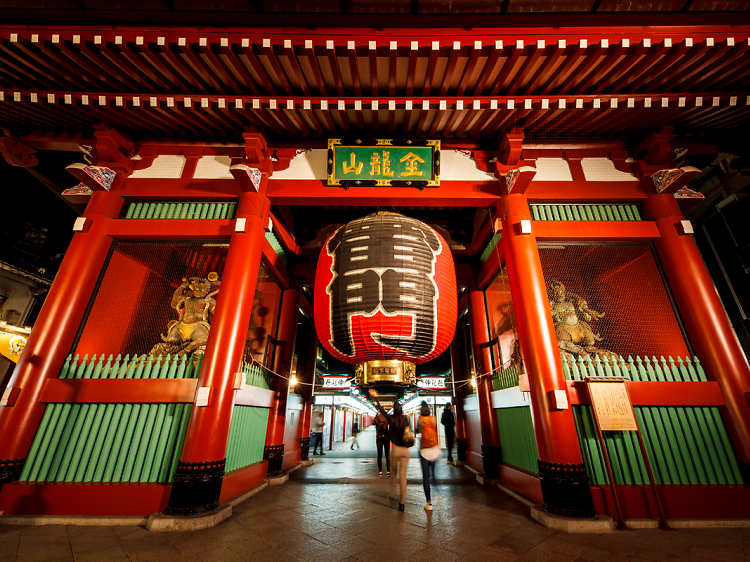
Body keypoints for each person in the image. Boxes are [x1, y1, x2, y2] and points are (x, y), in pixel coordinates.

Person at [369, 388, 410, 512]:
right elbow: (408, 433)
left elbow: (381, 410)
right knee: (403, 477)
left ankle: (392, 493)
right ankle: (402, 502)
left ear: (394, 410)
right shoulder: (405, 420)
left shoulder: (391, 419)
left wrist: (376, 397)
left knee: (394, 474)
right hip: (405, 451)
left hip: (396, 449)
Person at [417, 401, 441, 511]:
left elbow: (417, 431)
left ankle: (429, 502)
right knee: (433, 473)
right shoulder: (433, 418)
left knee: (425, 476)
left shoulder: (420, 419)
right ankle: (438, 494)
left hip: (424, 451)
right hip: (434, 449)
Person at [374, 412, 390, 476]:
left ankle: (380, 470)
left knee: (379, 454)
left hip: (379, 437)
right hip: (386, 438)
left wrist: (376, 415)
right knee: (387, 454)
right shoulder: (387, 418)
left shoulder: (377, 418)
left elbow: (373, 422)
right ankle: (388, 470)